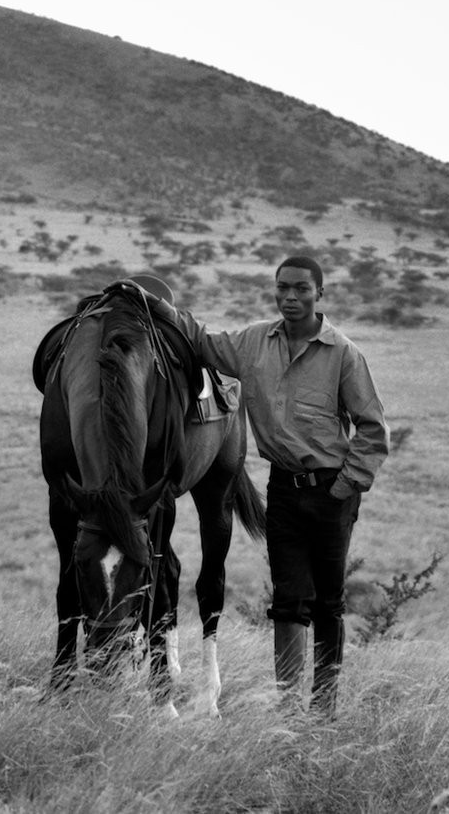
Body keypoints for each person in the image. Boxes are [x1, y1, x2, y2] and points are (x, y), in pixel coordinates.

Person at [171, 255, 390, 717]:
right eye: (283, 289)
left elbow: (373, 429)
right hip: (284, 491)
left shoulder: (343, 354)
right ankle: (287, 710)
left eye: (301, 290)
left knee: (328, 602)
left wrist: (346, 485)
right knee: (288, 600)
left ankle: (323, 707)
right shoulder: (253, 342)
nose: (290, 297)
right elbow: (202, 341)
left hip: (333, 490)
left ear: (319, 295)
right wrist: (153, 304)